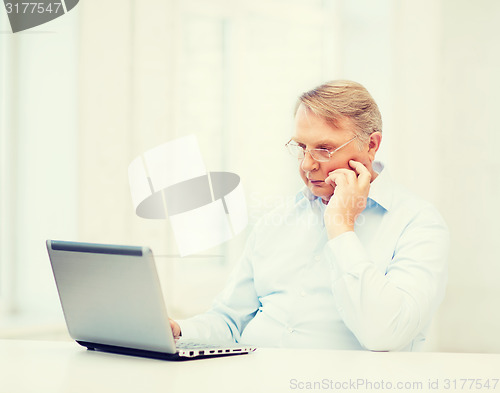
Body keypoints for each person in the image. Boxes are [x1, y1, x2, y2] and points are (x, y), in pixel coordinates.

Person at [170, 80, 449, 351]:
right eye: (301, 147)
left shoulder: (418, 223)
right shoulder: (276, 220)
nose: (307, 164)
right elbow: (230, 321)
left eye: (324, 149)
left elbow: (385, 334)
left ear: (371, 145)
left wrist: (341, 227)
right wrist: (178, 331)